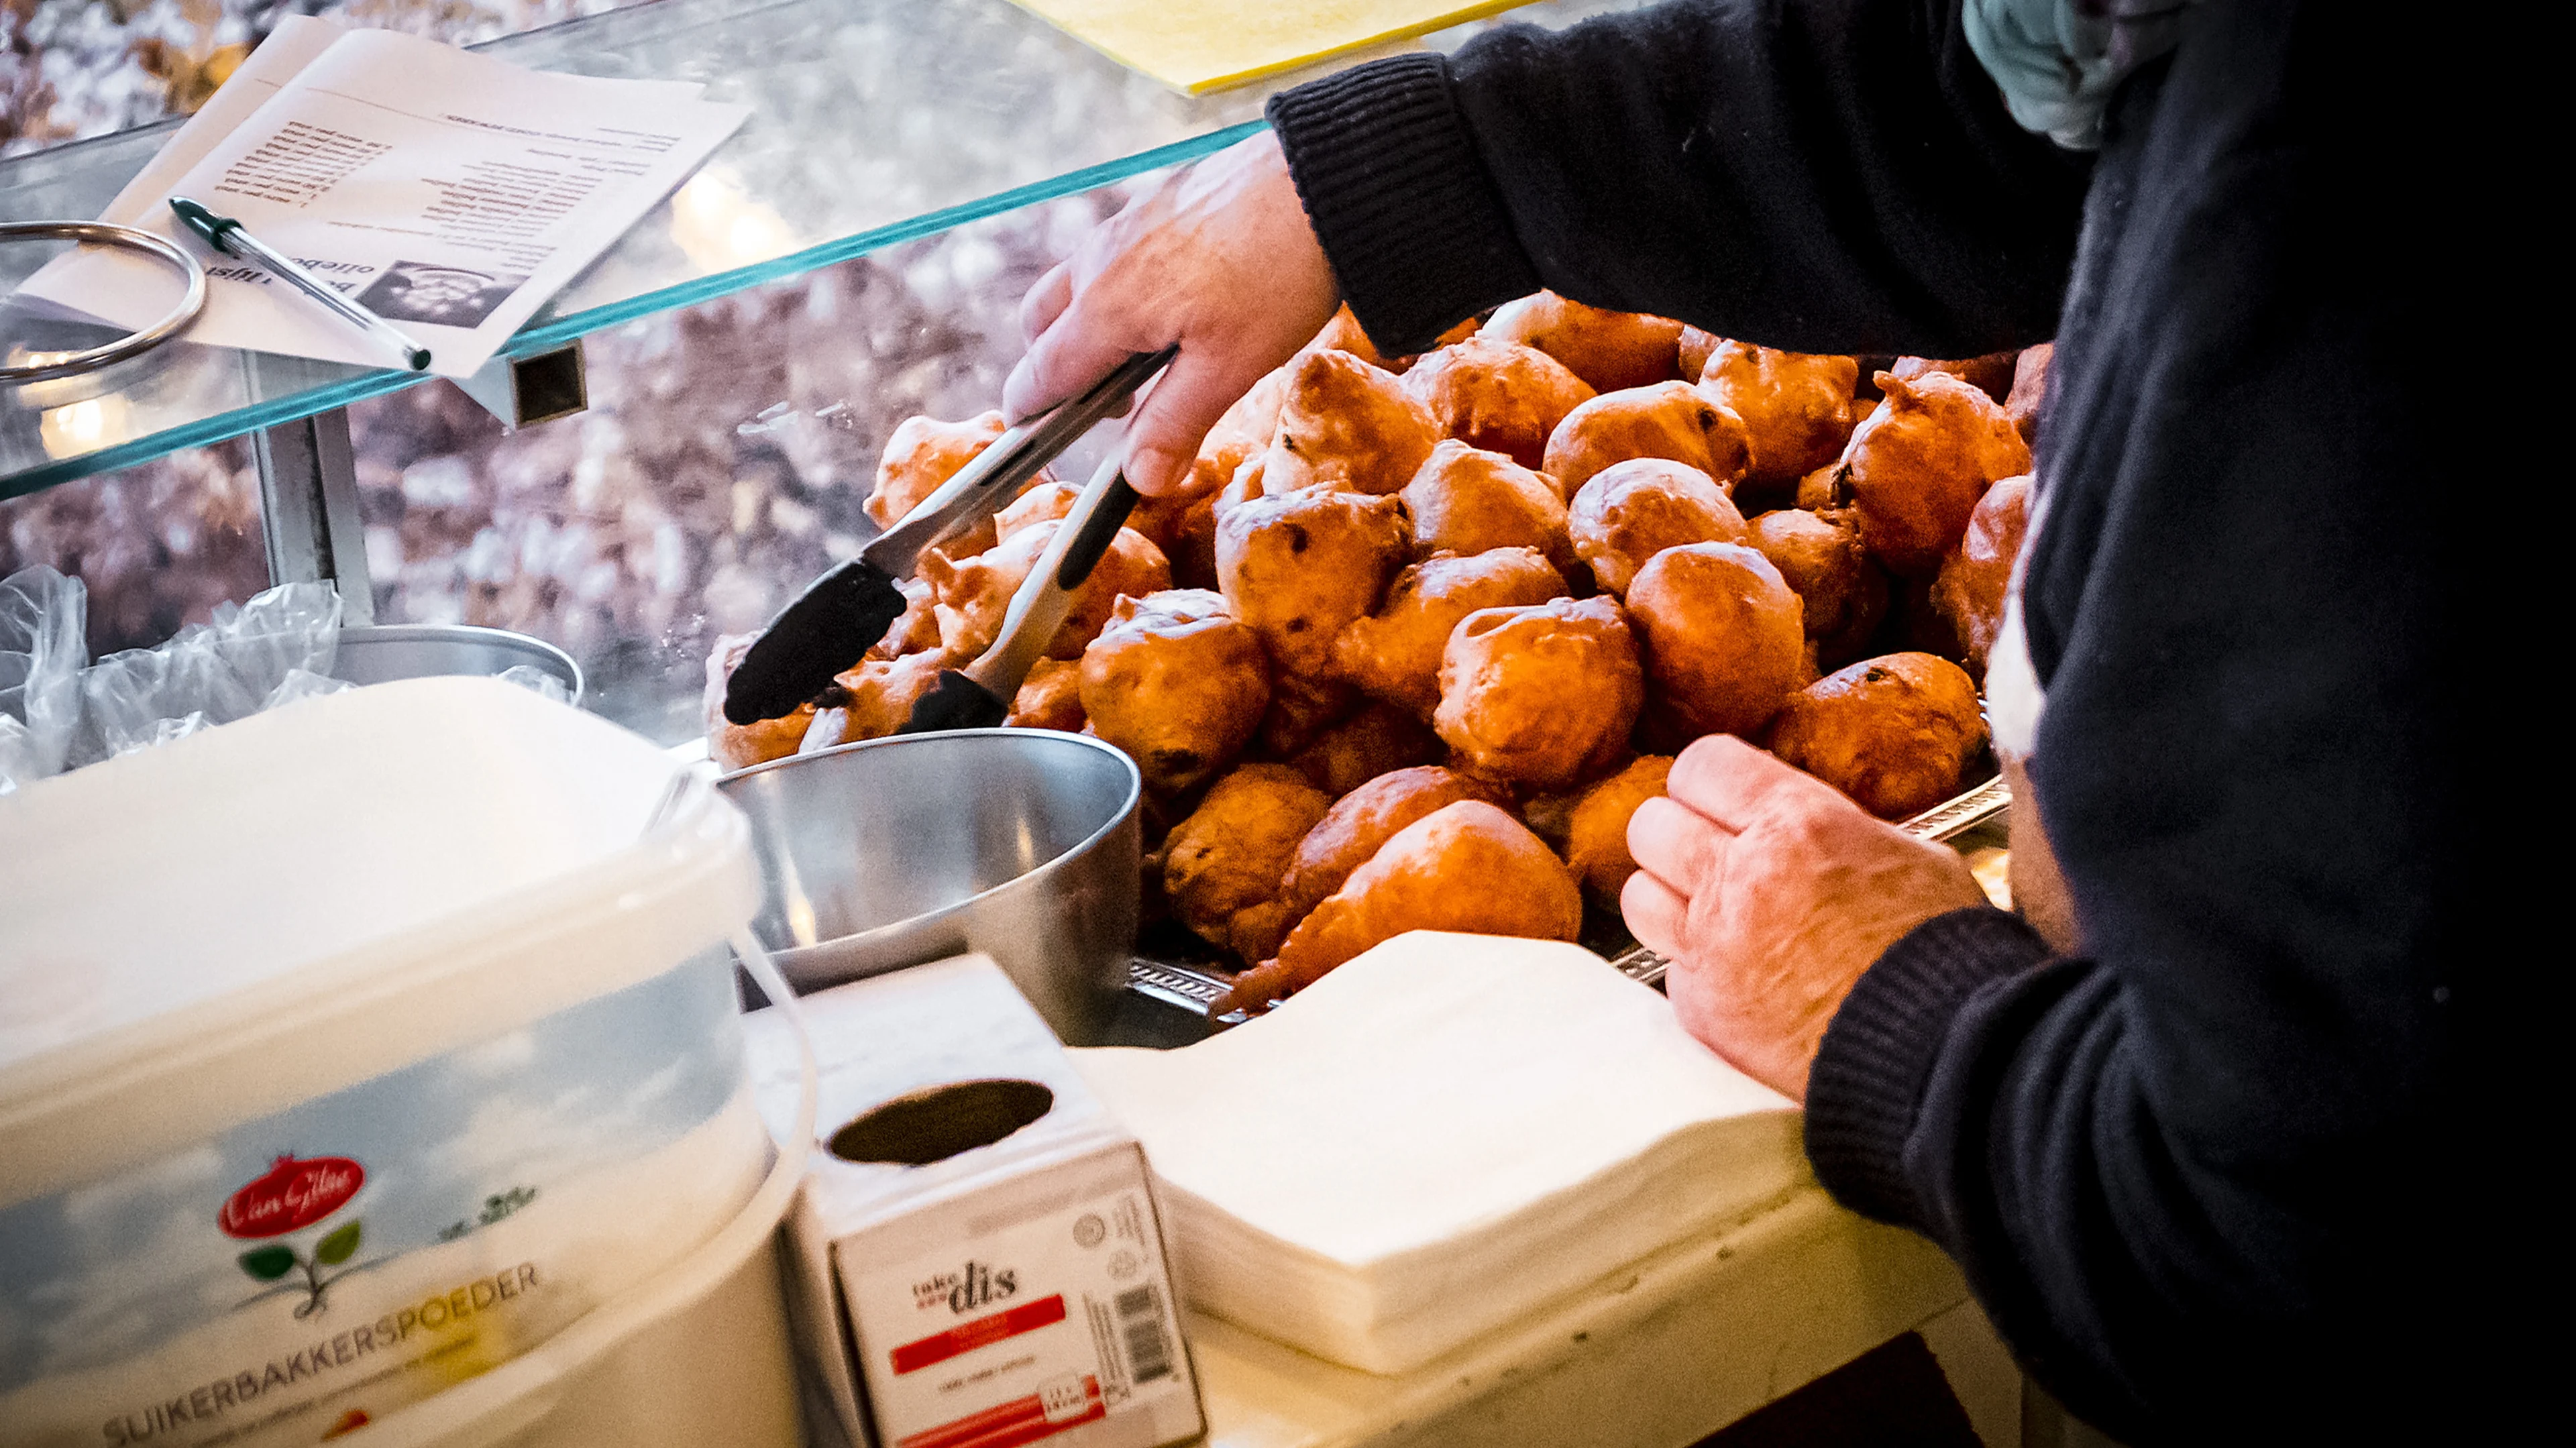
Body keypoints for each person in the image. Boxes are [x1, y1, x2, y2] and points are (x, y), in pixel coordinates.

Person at [1006, 1, 2477, 1439]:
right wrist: (1414, 167)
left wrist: (1900, 1009)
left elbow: (2301, 1264)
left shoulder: (2345, 190)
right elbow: (1991, 117)